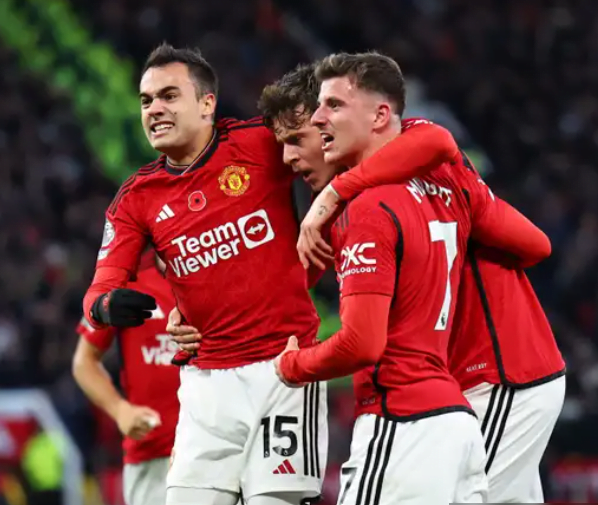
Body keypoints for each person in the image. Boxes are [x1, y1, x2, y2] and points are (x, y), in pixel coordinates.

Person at [268, 53, 550, 504]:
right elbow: (537, 246)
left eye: (300, 137)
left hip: (492, 373)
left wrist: (293, 366)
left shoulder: (376, 198)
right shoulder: (429, 172)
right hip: (467, 389)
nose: (290, 156)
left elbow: (361, 342)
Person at [82, 43, 328, 505]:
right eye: (146, 100)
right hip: (205, 386)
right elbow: (100, 288)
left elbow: (333, 145)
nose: (154, 109)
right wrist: (107, 305)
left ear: (207, 103)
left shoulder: (261, 143)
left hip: (286, 370)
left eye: (169, 96)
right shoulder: (137, 199)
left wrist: (324, 210)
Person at [72, 249, 179, 505]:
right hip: (154, 456)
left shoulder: (215, 278)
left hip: (219, 448)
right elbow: (83, 362)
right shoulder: (127, 285)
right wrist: (120, 410)